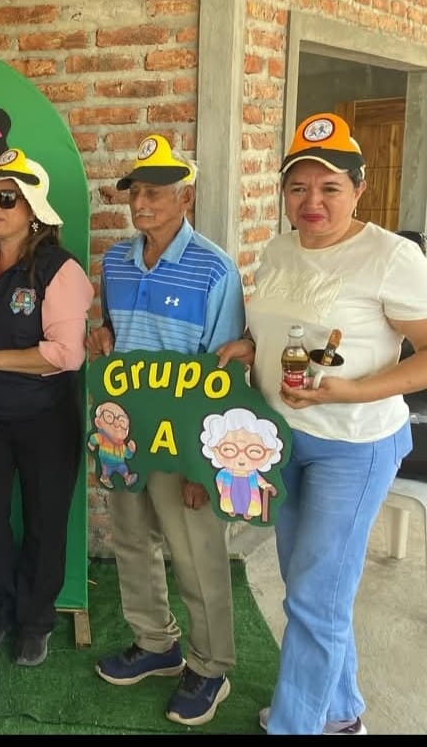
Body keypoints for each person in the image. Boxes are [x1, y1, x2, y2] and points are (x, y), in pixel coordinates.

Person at [215, 112, 427, 735]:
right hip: (283, 439)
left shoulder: (391, 256)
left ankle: (297, 725)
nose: (312, 201)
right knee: (312, 586)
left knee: (315, 594)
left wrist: (353, 389)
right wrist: (252, 346)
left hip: (354, 445)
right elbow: (282, 326)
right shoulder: (279, 248)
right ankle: (339, 713)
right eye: (298, 187)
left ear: (359, 189)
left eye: (330, 187)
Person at [86, 134, 245, 726]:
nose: (141, 203)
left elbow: (224, 373)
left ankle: (210, 667)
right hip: (126, 434)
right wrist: (102, 335)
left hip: (185, 440)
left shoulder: (215, 268)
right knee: (131, 540)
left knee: (196, 554)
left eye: (156, 192)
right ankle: (156, 643)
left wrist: (206, 465)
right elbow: (114, 330)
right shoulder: (116, 262)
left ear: (186, 197)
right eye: (136, 191)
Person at [0, 148, 91, 668]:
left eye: (8, 198)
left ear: (33, 210)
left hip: (45, 416)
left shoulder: (59, 268)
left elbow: (67, 354)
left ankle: (36, 620)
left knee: (45, 521)